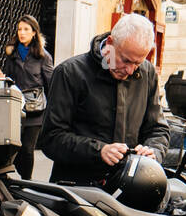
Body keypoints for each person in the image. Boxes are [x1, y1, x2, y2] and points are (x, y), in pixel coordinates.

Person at [39, 13, 169, 187]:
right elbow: (51, 139)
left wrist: (153, 152)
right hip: (77, 190)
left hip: (128, 189)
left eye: (137, 63)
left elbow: (158, 129)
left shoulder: (147, 73)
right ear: (110, 44)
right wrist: (99, 151)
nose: (130, 70)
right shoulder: (69, 73)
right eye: (125, 60)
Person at [0, 14, 54, 180]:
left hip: (35, 110)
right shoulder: (12, 53)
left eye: (26, 29)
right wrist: (2, 78)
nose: (22, 33)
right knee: (14, 147)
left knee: (28, 149)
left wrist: (52, 112)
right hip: (15, 107)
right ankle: (13, 177)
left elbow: (51, 84)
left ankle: (26, 181)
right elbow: (9, 79)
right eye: (20, 29)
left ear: (34, 32)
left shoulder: (43, 56)